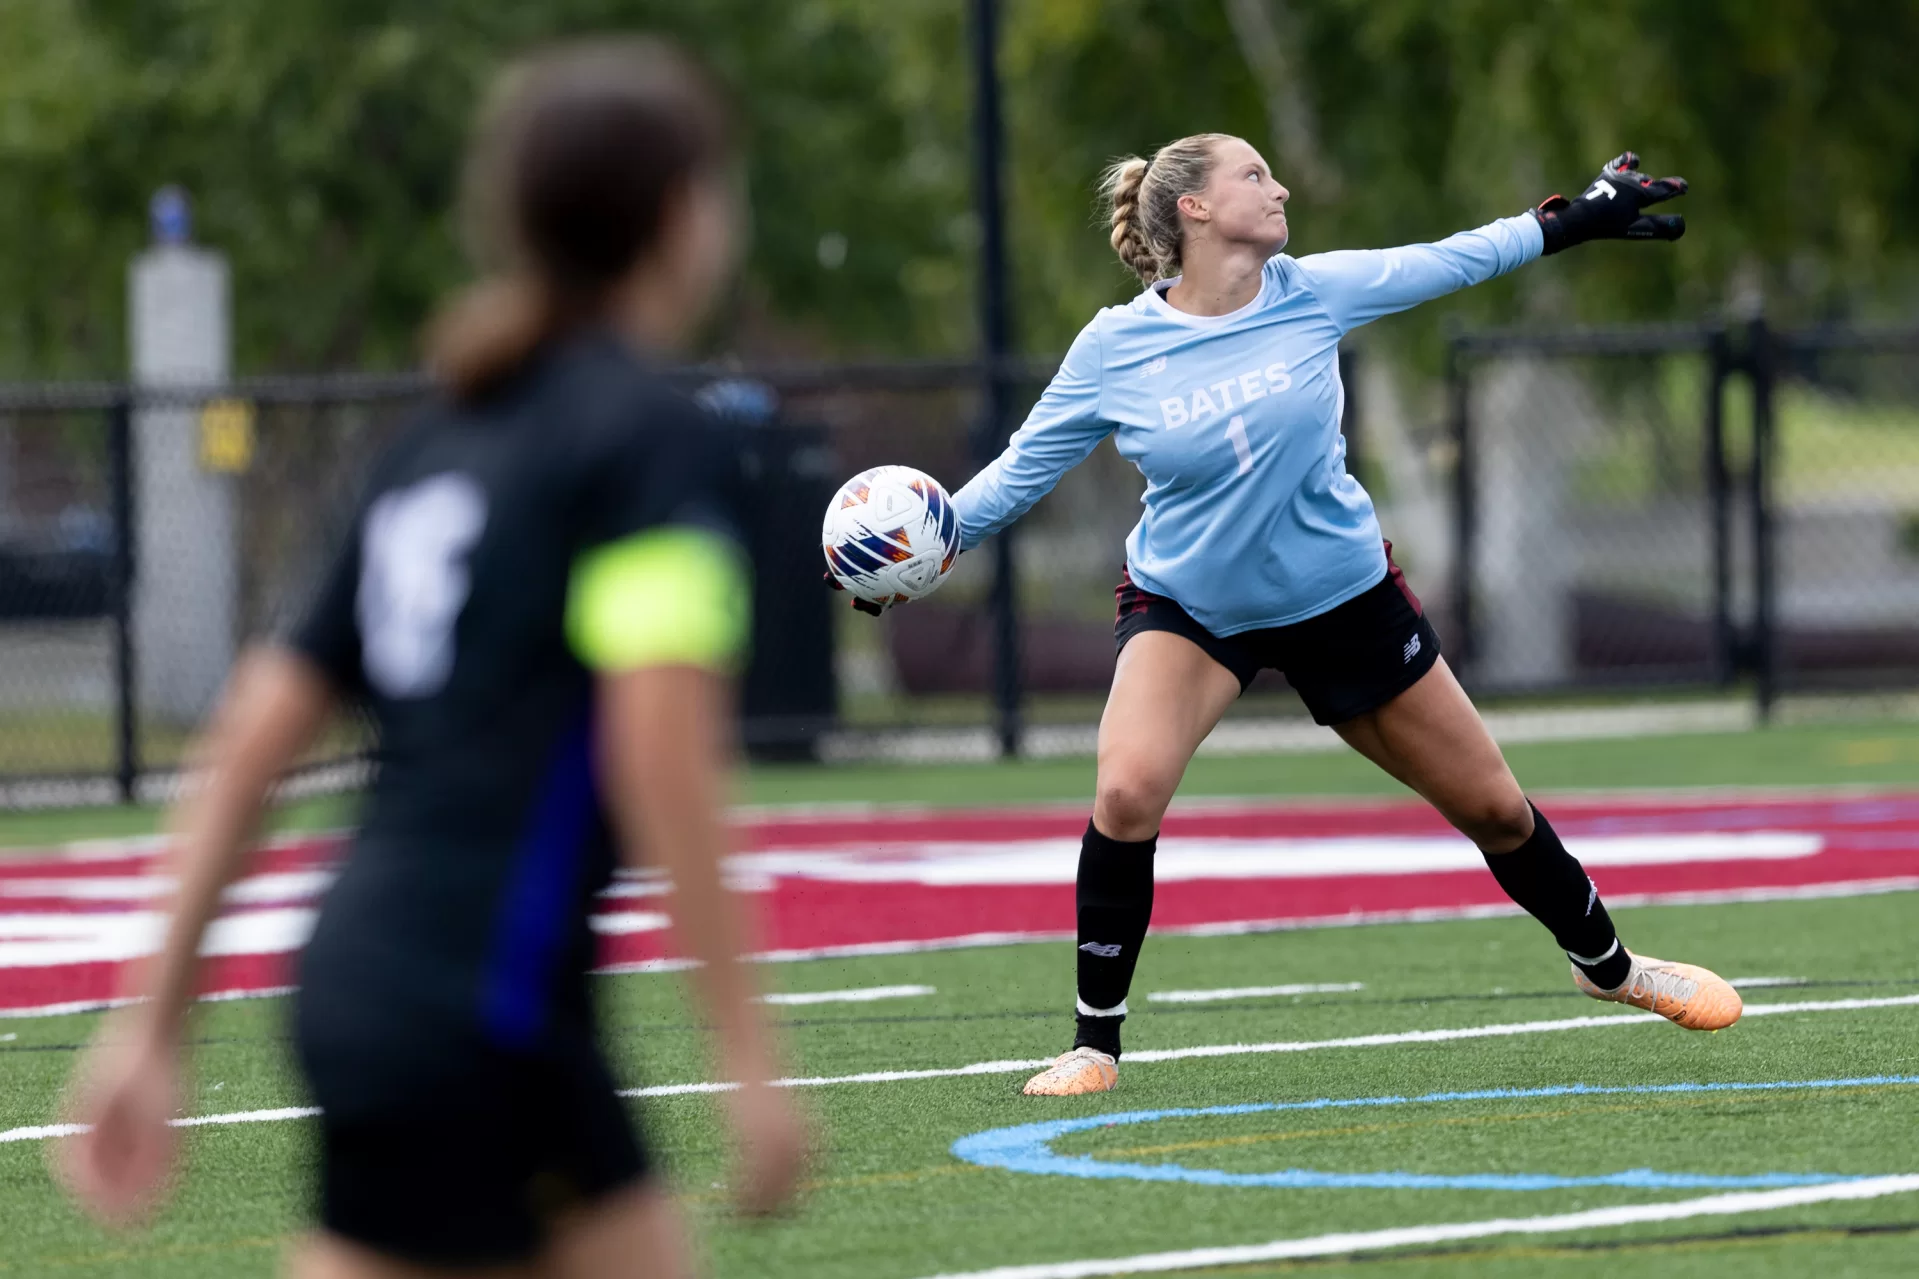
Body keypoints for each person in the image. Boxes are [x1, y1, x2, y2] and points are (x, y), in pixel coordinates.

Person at [57, 37, 806, 1274]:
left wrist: (152, 1019)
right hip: (487, 1006)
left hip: (363, 976)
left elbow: (251, 738)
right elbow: (657, 743)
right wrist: (747, 1054)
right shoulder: (649, 441)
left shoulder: (436, 441)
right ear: (681, 216)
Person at [945, 135, 1740, 1097]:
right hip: (1191, 607)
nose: (1277, 186)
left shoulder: (1311, 289)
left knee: (1491, 806)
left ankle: (1608, 968)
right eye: (1251, 175)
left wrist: (1578, 217)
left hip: (1342, 599)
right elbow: (1017, 474)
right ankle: (1093, 1045)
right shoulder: (1114, 346)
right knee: (1125, 792)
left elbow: (1457, 256)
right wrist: (921, 547)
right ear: (1192, 209)